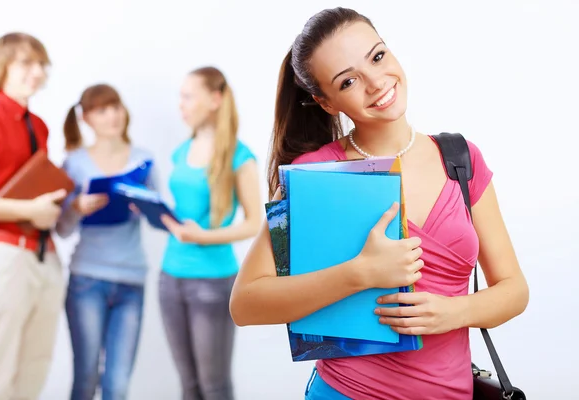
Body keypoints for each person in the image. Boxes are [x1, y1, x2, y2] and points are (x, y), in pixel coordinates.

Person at [229, 7, 529, 400]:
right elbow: (245, 304)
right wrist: (361, 273)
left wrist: (452, 313)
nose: (376, 83)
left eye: (377, 56)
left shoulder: (460, 159)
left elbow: (514, 290)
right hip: (346, 392)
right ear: (326, 102)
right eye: (349, 80)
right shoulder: (314, 174)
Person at [158, 66, 261, 400]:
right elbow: (183, 213)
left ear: (215, 99)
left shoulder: (240, 156)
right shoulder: (181, 151)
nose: (181, 105)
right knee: (188, 386)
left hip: (212, 283)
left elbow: (253, 222)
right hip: (170, 277)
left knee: (213, 386)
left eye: (188, 96)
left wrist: (200, 237)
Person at [0, 32, 67, 400]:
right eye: (25, 63)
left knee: (35, 365)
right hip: (6, 257)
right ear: (3, 67)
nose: (36, 71)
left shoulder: (40, 125)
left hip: (45, 258)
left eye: (40, 64)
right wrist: (28, 210)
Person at [56, 84, 157, 400]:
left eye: (116, 107)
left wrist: (144, 206)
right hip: (87, 279)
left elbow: (163, 219)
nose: (112, 115)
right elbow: (61, 229)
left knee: (118, 385)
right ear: (86, 118)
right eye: (102, 110)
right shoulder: (73, 163)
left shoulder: (143, 159)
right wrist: (76, 207)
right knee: (85, 379)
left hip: (131, 281)